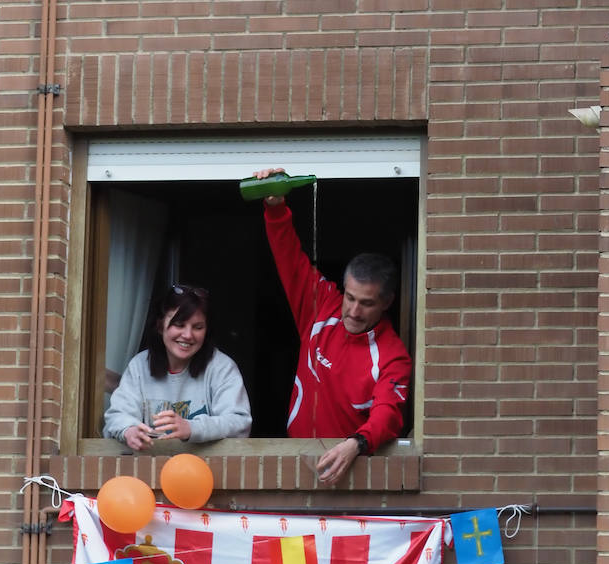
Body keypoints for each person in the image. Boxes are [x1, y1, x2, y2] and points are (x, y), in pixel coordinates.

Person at [251, 167, 412, 487]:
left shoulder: (393, 356)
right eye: (349, 297)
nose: (352, 311)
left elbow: (388, 414)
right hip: (293, 464)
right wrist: (275, 207)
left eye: (366, 303)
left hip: (349, 474)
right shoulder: (322, 304)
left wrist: (356, 444)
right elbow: (289, 258)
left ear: (387, 301)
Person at [103, 284, 252, 450]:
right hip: (148, 469)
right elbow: (117, 414)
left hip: (206, 470)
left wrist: (191, 428)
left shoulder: (222, 367)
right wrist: (128, 430)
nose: (188, 335)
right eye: (179, 325)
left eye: (198, 327)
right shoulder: (139, 365)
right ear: (160, 326)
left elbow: (240, 423)